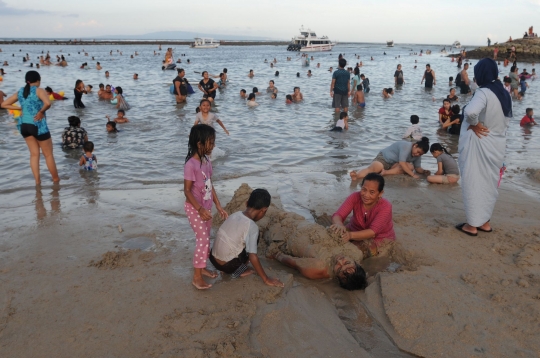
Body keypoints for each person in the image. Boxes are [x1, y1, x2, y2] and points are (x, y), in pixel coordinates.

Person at [456, 58, 512, 236]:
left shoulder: (483, 92)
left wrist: (473, 124)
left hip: (479, 144)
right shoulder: (503, 93)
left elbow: (471, 112)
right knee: (489, 183)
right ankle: (485, 222)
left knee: (473, 181)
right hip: (497, 144)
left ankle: (472, 225)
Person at [184, 124, 228, 289]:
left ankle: (202, 269)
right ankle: (196, 277)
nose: (213, 146)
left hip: (206, 207)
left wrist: (218, 205)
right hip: (194, 207)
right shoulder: (191, 165)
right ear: (199, 144)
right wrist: (199, 209)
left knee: (205, 238)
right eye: (210, 142)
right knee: (202, 239)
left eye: (213, 142)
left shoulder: (207, 161)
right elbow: (187, 191)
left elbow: (210, 184)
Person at [210, 189, 283, 287]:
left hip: (213, 259)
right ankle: (240, 271)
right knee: (255, 237)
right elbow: (252, 256)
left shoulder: (235, 214)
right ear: (263, 210)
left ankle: (227, 268)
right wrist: (266, 279)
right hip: (227, 266)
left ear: (247, 203)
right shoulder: (252, 226)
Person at [0, 71, 59, 185]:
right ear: (38, 80)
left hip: (24, 126)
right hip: (37, 125)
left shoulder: (21, 91)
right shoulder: (39, 90)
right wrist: (41, 112)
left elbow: (3, 104)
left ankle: (37, 181)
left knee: (34, 154)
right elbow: (47, 103)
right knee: (48, 154)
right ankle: (56, 179)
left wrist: (20, 109)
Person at [331, 173, 396, 260]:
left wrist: (350, 236)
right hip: (354, 229)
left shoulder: (385, 206)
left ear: (380, 193)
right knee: (332, 234)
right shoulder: (355, 197)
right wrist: (339, 224)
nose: (366, 195)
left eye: (372, 192)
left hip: (378, 238)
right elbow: (338, 215)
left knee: (351, 252)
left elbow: (373, 232)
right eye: (364, 189)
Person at [349, 137, 430, 180]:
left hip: (394, 165)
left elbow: (417, 167)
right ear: (415, 145)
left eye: (420, 154)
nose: (417, 154)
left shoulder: (417, 156)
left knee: (410, 167)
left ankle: (385, 172)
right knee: (375, 168)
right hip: (384, 158)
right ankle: (357, 175)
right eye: (418, 151)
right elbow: (402, 163)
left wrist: (424, 171)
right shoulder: (406, 146)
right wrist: (413, 175)